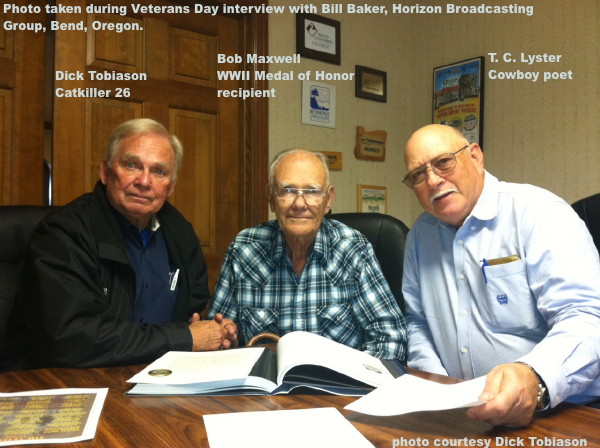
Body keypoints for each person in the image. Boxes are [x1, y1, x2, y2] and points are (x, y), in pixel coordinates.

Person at [401, 124, 600, 426]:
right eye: (418, 174)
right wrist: (439, 389)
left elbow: (586, 317)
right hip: (465, 413)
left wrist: (533, 378)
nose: (432, 180)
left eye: (443, 162)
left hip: (563, 409)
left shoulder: (538, 212)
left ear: (475, 156)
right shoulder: (420, 235)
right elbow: (418, 321)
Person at [14, 118, 237, 368]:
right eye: (132, 165)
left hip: (157, 376)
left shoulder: (181, 234)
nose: (144, 181)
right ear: (106, 172)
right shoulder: (63, 233)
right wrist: (185, 337)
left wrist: (211, 330)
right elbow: (71, 338)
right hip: (75, 380)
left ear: (170, 186)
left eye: (158, 171)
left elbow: (191, 308)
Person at [208, 149, 407, 360]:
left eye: (312, 191)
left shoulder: (353, 248)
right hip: (263, 389)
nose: (300, 204)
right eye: (288, 190)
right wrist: (226, 338)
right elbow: (219, 335)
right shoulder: (244, 249)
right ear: (271, 198)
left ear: (328, 199)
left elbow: (390, 336)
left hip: (339, 388)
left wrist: (354, 383)